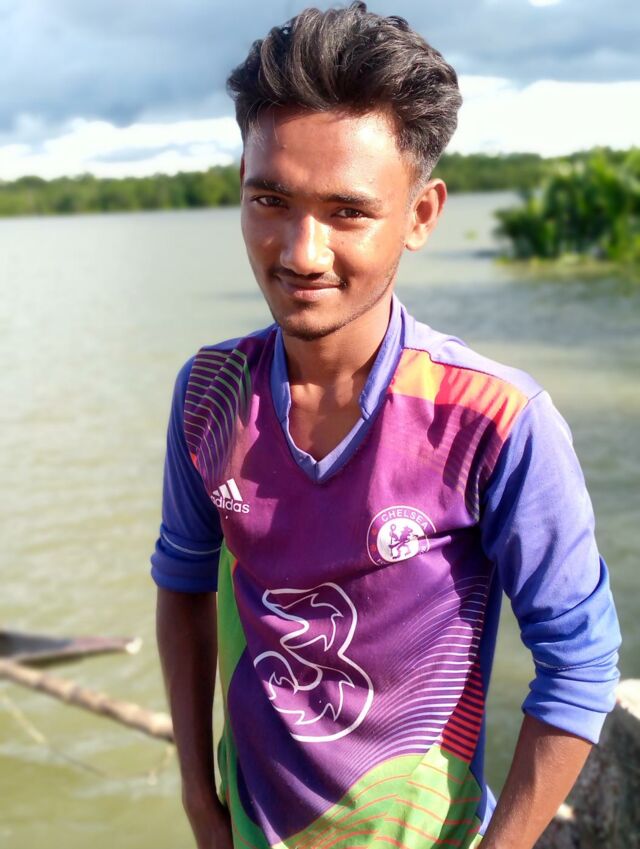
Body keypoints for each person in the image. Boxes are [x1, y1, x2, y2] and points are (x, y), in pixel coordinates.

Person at [151, 4, 621, 848]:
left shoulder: (494, 422)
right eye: (270, 199)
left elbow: (579, 663)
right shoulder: (211, 395)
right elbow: (184, 586)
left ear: (421, 214)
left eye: (347, 212)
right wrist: (199, 800)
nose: (300, 252)